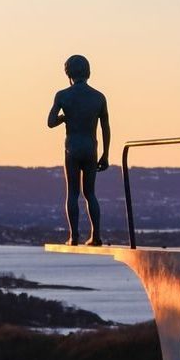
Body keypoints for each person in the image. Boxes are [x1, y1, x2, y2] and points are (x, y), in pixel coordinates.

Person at [47, 55, 110, 246]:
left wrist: (65, 118)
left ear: (68, 73)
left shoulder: (63, 95)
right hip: (91, 147)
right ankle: (96, 235)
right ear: (88, 72)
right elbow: (106, 127)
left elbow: (50, 122)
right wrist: (106, 154)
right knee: (90, 193)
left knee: (72, 193)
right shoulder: (99, 97)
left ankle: (74, 236)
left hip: (72, 148)